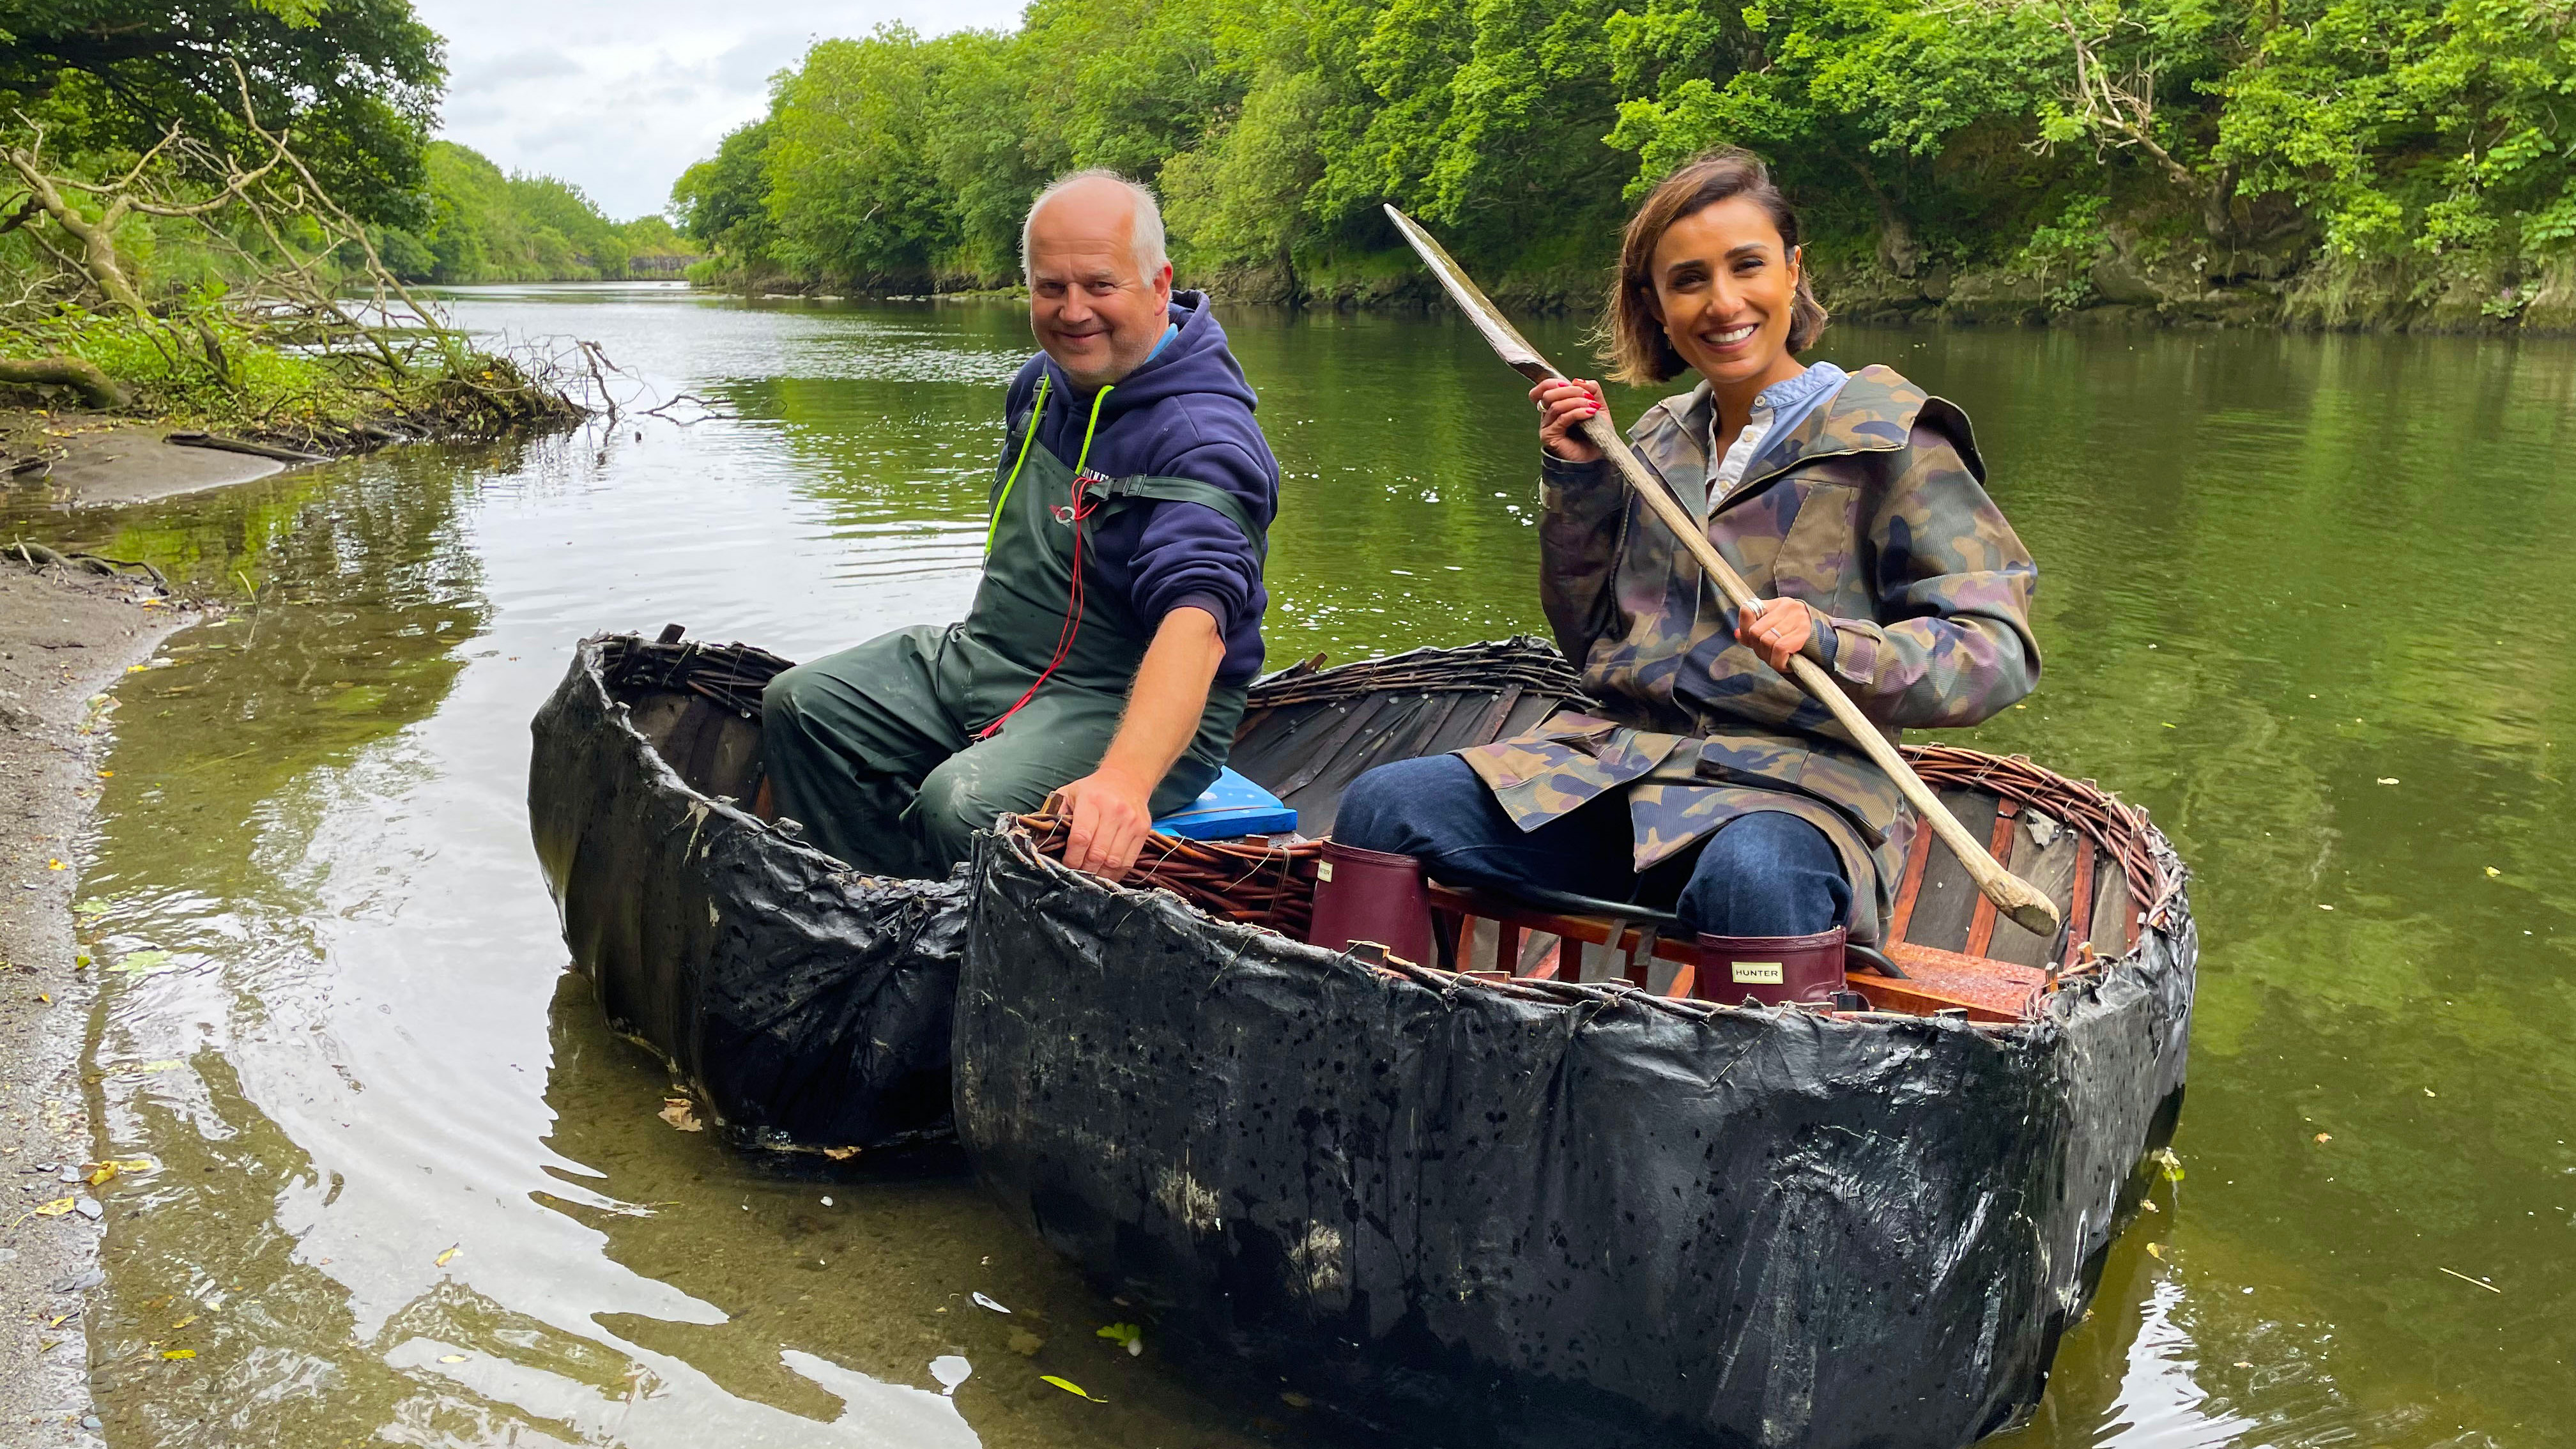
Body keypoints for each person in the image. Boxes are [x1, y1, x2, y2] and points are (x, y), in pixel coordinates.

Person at [1335, 148, 2039, 953]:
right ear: (1658, 304)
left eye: (1748, 267)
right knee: (1381, 807)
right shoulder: (1653, 442)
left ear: (1793, 270)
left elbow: (1996, 650)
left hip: (1795, 793)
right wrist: (1580, 483)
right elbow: (1591, 642)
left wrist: (1831, 640)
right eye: (1689, 280)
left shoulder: (1891, 439)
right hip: (1619, 771)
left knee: (1754, 880)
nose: (1724, 302)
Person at [762, 170, 1277, 882]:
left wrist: (1124, 781)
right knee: (803, 705)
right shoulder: (1039, 383)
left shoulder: (1204, 439)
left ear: (1159, 288)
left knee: (962, 805)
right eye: (1050, 287)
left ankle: (957, 943)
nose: (1073, 312)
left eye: (1100, 285)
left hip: (1121, 699)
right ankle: (883, 903)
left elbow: (1199, 622)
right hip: (995, 657)